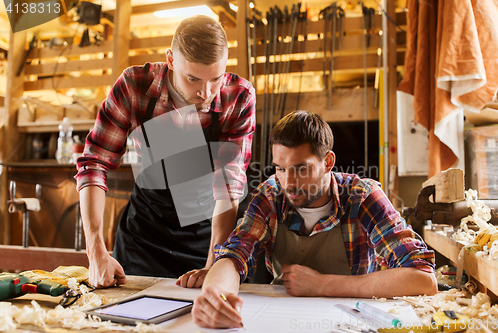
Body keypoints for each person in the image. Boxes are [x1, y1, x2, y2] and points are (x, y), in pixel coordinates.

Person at [191, 111, 438, 329]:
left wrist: (323, 285)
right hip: (282, 319)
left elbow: (423, 278)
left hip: (352, 322)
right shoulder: (270, 195)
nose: (288, 183)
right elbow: (234, 256)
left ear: (328, 162)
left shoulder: (362, 197)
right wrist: (215, 298)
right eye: (280, 168)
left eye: (301, 169)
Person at [75, 15, 256, 288]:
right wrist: (95, 251)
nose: (205, 92)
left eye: (215, 79)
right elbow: (94, 163)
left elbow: (229, 184)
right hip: (143, 240)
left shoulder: (238, 97)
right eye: (193, 78)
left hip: (206, 238)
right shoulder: (134, 87)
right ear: (171, 60)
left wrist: (215, 263)